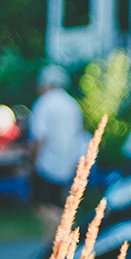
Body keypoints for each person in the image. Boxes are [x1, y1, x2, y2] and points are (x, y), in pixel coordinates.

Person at [28, 66, 85, 235]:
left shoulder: (43, 103)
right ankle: (52, 244)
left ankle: (69, 230)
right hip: (68, 163)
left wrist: (31, 161)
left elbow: (39, 138)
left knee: (42, 206)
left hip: (46, 164)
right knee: (57, 204)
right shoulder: (73, 104)